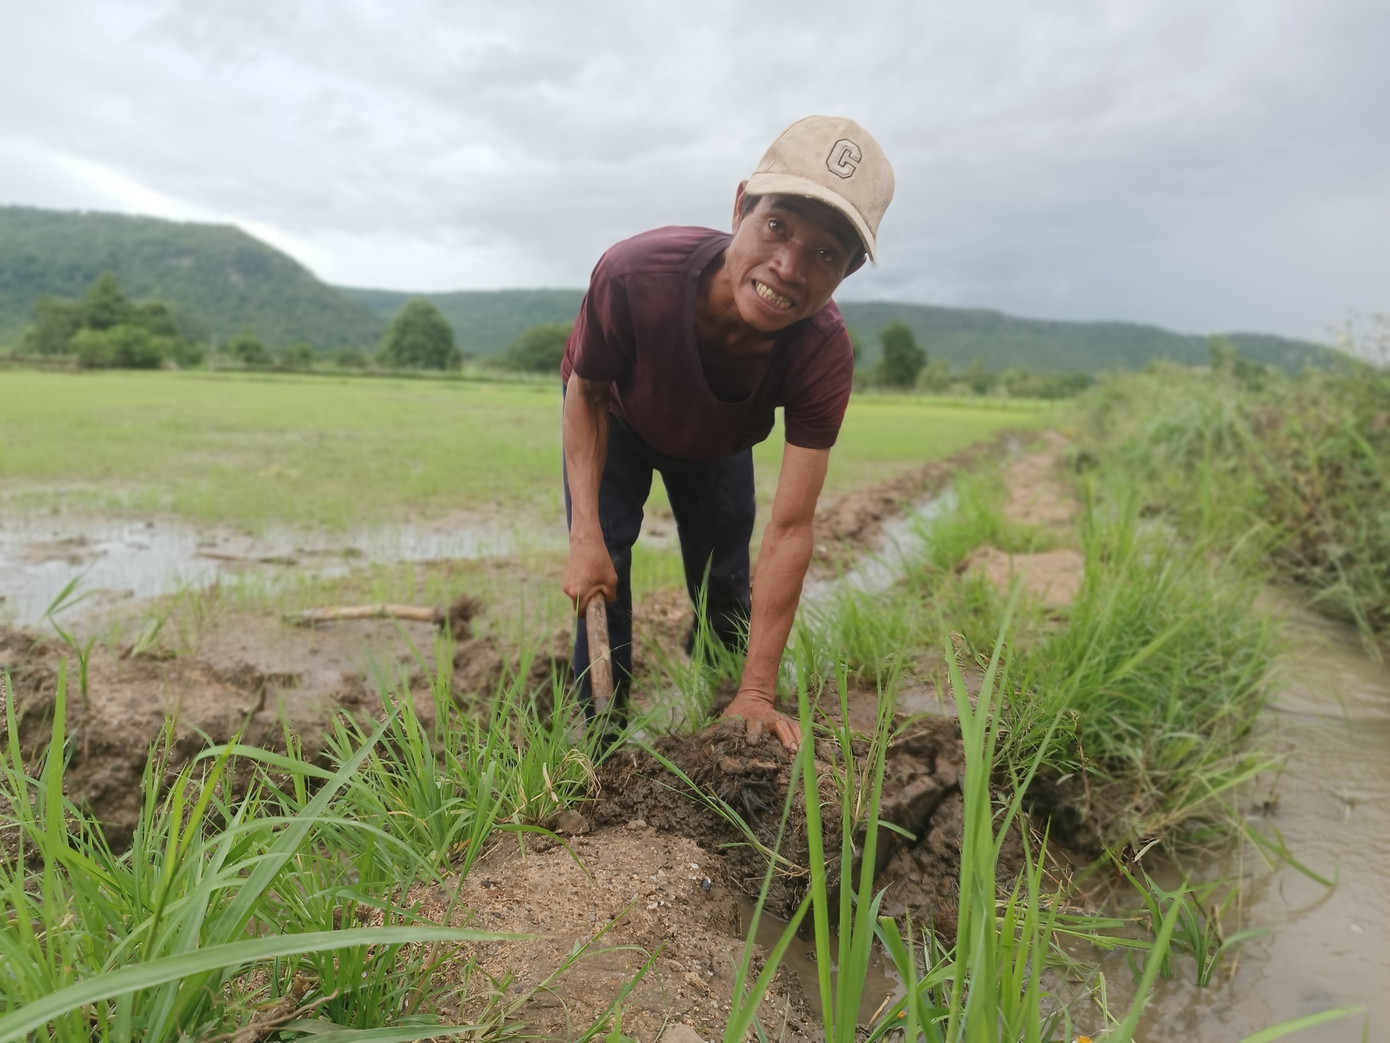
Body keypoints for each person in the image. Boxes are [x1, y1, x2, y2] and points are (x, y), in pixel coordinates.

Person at [560, 115, 894, 752]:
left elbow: (791, 528)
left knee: (725, 585)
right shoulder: (636, 275)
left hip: (717, 444)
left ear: (846, 273)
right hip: (618, 424)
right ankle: (600, 738)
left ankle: (728, 705)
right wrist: (585, 536)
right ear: (740, 206)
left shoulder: (821, 351)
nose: (788, 266)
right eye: (776, 226)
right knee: (607, 567)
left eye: (825, 253)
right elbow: (587, 390)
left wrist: (759, 693)